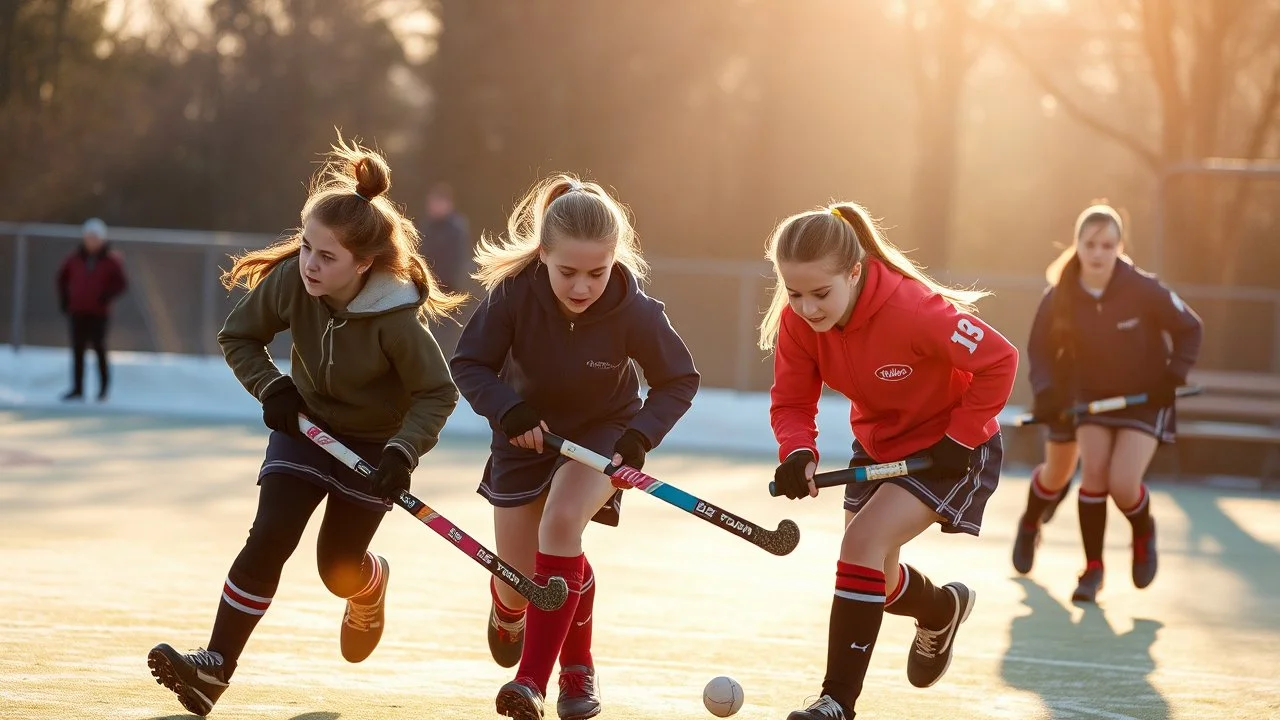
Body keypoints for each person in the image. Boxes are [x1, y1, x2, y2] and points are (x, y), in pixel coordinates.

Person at [146, 134, 464, 717]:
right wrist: (273, 387)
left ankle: (368, 586)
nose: (310, 264)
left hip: (371, 446)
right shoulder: (295, 280)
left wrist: (401, 453)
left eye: (327, 257)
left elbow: (436, 394)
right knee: (269, 537)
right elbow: (239, 336)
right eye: (307, 248)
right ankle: (216, 667)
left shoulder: (394, 318)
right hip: (305, 427)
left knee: (337, 568)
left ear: (363, 264)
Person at [449, 173, 699, 720]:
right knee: (520, 585)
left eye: (597, 272)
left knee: (561, 524)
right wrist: (508, 410)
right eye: (568, 272)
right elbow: (468, 364)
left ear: (616, 258)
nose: (583, 287)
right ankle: (508, 610)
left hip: (601, 436)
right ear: (543, 255)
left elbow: (678, 380)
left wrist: (638, 438)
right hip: (522, 437)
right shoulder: (514, 294)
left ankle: (551, 677)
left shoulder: (636, 312)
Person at [762, 203, 1018, 720]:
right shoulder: (797, 323)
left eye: (820, 294)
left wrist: (960, 437)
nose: (807, 309)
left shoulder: (916, 311)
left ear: (854, 272)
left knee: (859, 543)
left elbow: (1000, 360)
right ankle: (940, 609)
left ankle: (836, 702)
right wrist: (797, 453)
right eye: (794, 293)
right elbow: (792, 402)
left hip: (952, 449)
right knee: (875, 568)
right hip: (882, 444)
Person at [1013, 202, 1202, 602]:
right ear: (1077, 246)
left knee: (1122, 484)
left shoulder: (1144, 289)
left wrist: (1173, 377)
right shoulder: (1059, 295)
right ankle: (1093, 569)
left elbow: (1190, 328)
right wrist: (1046, 395)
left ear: (1120, 246)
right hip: (1091, 397)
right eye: (1091, 244)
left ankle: (1142, 530)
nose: (1098, 253)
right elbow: (1040, 351)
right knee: (1093, 475)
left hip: (1145, 399)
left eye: (1107, 245)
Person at [56, 217, 128, 401]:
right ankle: (77, 388)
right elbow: (61, 278)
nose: (91, 241)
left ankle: (103, 389)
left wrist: (105, 296)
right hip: (77, 310)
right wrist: (65, 300)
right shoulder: (74, 258)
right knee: (77, 349)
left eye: (95, 237)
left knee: (99, 348)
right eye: (88, 237)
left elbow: (121, 283)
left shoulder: (111, 260)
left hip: (99, 312)